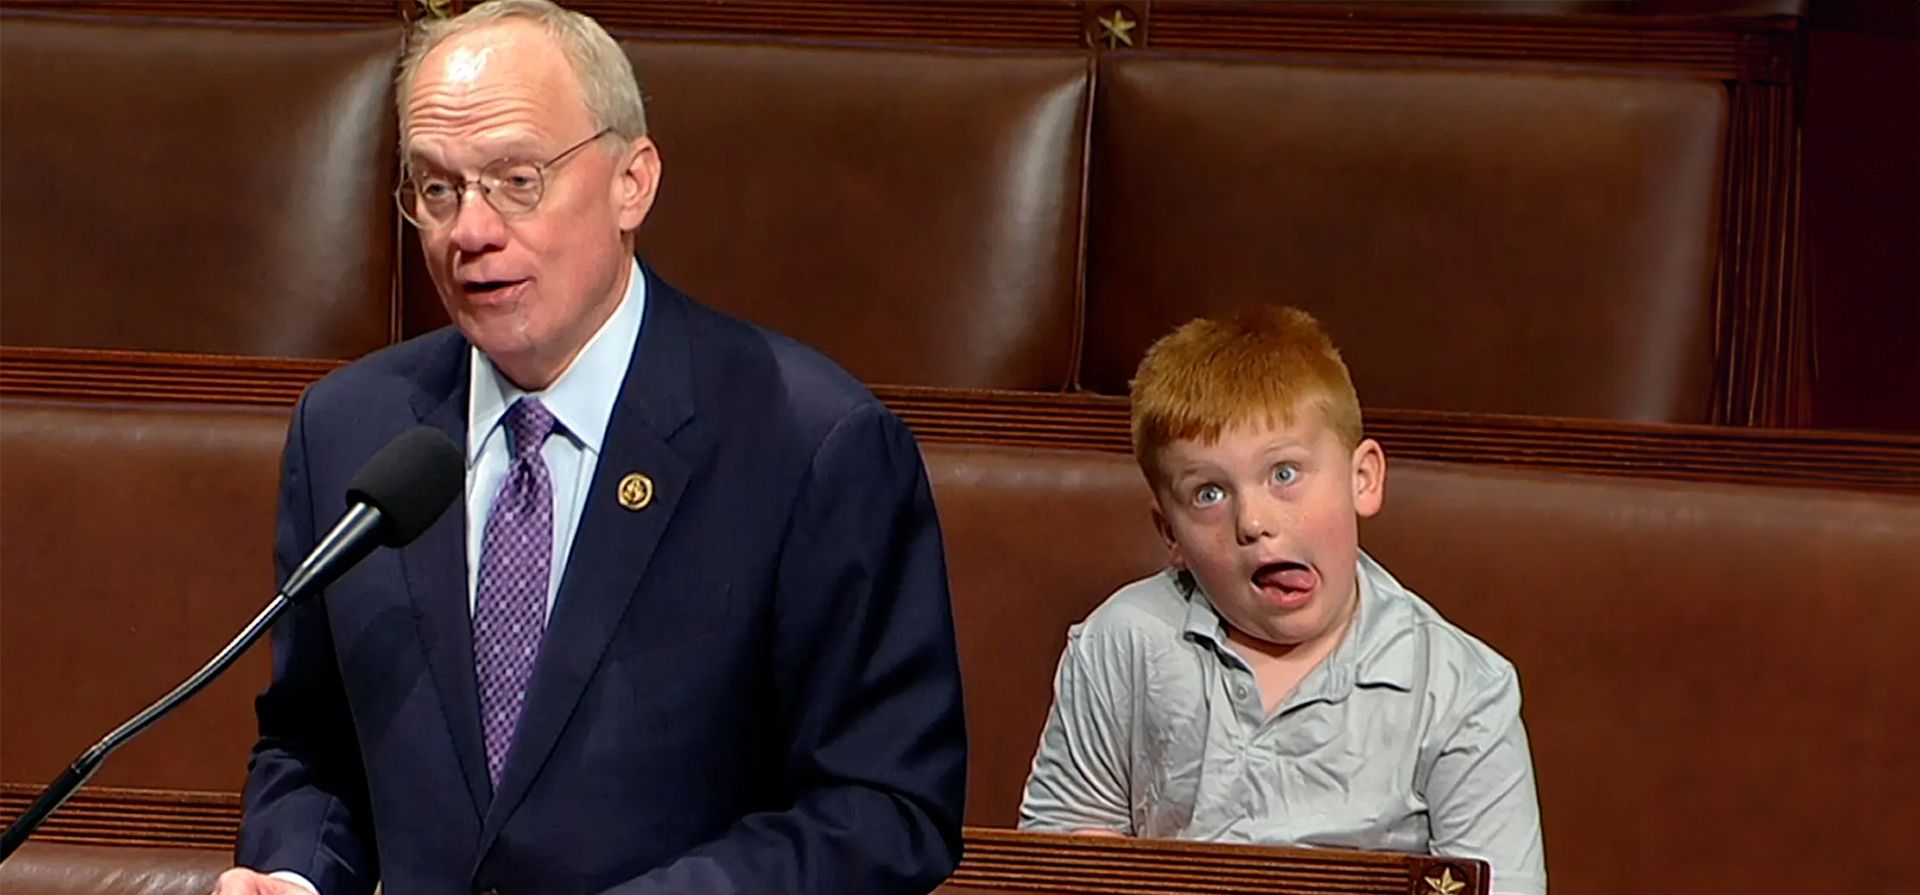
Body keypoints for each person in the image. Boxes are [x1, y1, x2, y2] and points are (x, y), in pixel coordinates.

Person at [213, 2, 966, 892]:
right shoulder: (349, 432)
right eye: (437, 189)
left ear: (631, 183)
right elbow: (312, 745)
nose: (470, 232)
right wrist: (296, 873)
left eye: (517, 179)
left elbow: (885, 806)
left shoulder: (810, 444)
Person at [1017, 306, 1546, 895]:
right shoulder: (1122, 643)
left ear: (1362, 479)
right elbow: (1060, 860)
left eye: (1285, 474)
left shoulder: (1462, 691)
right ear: (1171, 536)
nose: (1254, 522)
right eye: (1210, 493)